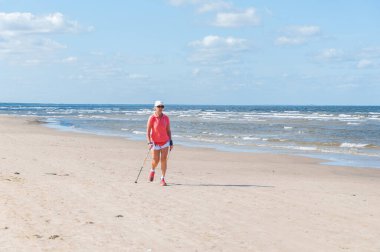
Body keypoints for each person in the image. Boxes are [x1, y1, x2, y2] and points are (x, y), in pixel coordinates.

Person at [146, 101, 173, 186]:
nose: (160, 108)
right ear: (155, 107)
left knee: (164, 160)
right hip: (155, 142)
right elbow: (148, 131)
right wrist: (149, 142)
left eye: (162, 106)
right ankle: (152, 170)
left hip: (165, 141)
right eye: (159, 106)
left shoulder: (166, 118)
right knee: (156, 160)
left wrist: (171, 142)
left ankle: (162, 178)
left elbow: (168, 130)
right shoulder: (152, 118)